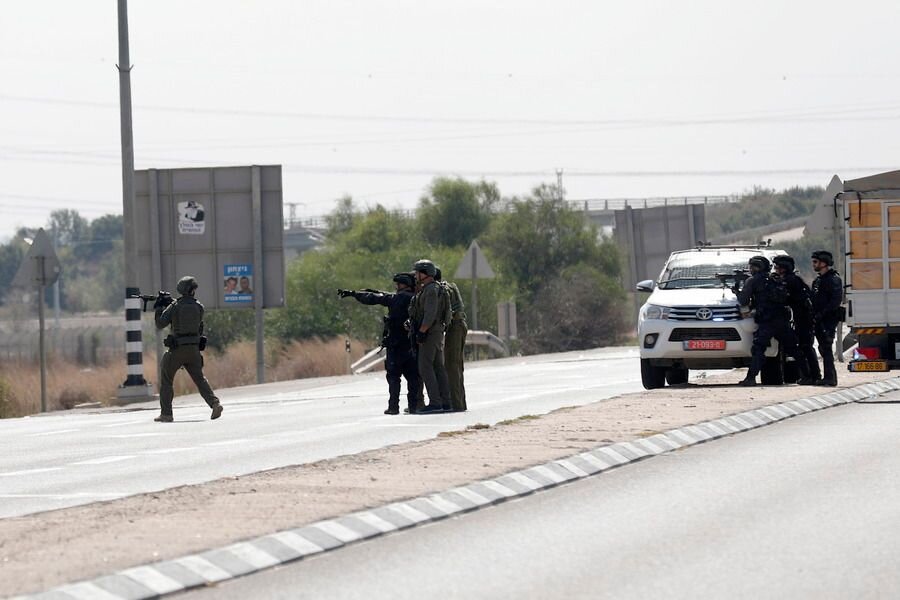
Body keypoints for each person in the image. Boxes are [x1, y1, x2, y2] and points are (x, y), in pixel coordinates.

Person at [339, 273, 420, 415]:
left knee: (394, 377)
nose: (396, 287)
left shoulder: (395, 299)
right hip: (411, 344)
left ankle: (393, 407)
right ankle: (414, 406)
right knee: (413, 377)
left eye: (398, 285)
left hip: (395, 345)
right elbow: (380, 295)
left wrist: (354, 294)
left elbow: (374, 299)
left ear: (404, 285)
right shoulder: (416, 299)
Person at [153, 276, 223, 422]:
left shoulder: (175, 306)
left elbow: (160, 324)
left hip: (177, 350)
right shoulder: (199, 307)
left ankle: (166, 413)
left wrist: (159, 308)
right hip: (194, 351)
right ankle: (214, 403)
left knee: (166, 379)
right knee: (200, 379)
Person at [736, 255, 811, 387]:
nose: (750, 269)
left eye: (752, 267)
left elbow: (743, 301)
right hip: (782, 319)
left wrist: (738, 291)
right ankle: (807, 376)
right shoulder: (776, 279)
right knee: (793, 348)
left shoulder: (752, 281)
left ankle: (751, 378)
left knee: (758, 349)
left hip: (767, 320)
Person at [409, 259, 452, 413]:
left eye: (418, 272)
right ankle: (445, 401)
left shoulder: (431, 290)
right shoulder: (431, 289)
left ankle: (435, 402)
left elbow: (430, 314)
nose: (416, 275)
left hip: (431, 333)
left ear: (425, 274)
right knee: (438, 367)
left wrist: (422, 331)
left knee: (425, 366)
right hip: (435, 331)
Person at [772, 255, 818, 384]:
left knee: (805, 347)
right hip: (801, 317)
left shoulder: (791, 280)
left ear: (784, 268)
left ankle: (811, 376)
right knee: (805, 347)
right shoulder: (793, 279)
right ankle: (813, 375)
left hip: (803, 318)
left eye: (778, 267)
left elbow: (783, 298)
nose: (776, 270)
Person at [435, 267, 468, 412]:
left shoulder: (442, 290)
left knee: (451, 367)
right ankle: (459, 402)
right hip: (459, 326)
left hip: (454, 327)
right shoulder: (449, 286)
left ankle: (457, 404)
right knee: (456, 366)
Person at [811, 250, 843, 386]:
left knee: (827, 348)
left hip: (828, 320)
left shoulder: (833, 279)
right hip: (819, 319)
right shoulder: (818, 280)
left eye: (816, 262)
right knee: (823, 349)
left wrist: (823, 313)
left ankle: (830, 378)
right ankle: (828, 376)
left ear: (824, 263)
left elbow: (835, 301)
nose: (813, 265)